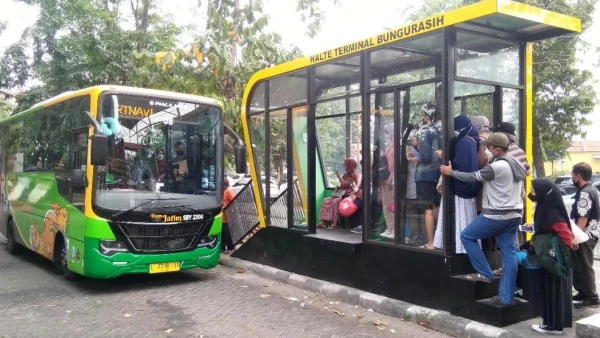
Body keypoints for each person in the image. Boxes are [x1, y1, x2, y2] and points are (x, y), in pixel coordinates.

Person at [439, 132, 526, 305]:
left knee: (467, 236)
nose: (487, 149)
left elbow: (472, 177)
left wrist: (451, 172)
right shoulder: (515, 163)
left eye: (489, 147)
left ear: (498, 150)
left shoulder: (497, 167)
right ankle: (505, 298)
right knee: (509, 256)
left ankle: (485, 273)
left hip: (496, 215)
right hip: (514, 215)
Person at [517, 178, 574, 335]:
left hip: (554, 261)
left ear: (542, 192)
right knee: (552, 291)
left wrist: (559, 255)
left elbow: (565, 236)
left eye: (534, 190)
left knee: (552, 292)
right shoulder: (548, 205)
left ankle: (553, 326)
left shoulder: (552, 212)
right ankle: (553, 324)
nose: (532, 193)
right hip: (553, 259)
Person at [433, 115, 481, 253]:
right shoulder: (471, 140)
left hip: (460, 190)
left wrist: (446, 158)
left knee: (461, 221)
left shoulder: (464, 143)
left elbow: (460, 164)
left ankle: (460, 249)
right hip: (467, 189)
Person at [570, 162, 600, 307]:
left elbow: (583, 217)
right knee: (581, 264)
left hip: (585, 234)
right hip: (590, 233)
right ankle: (583, 292)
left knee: (584, 265)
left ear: (578, 176)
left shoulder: (584, 192)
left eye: (572, 175)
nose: (571, 178)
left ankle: (591, 295)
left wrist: (575, 237)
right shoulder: (592, 189)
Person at [415, 104, 442, 250]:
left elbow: (425, 157)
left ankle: (431, 242)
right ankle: (439, 240)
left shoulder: (426, 131)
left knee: (427, 208)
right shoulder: (439, 130)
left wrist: (416, 156)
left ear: (427, 116)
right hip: (437, 172)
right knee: (437, 206)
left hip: (425, 174)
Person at [471, 116, 496, 251]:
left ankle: (487, 249)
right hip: (496, 190)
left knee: (483, 219)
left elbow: (480, 161)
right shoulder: (495, 139)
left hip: (483, 187)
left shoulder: (480, 141)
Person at [317, 158, 359, 230]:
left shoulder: (353, 175)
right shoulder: (346, 174)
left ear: (349, 165)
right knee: (326, 200)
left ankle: (335, 222)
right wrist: (338, 187)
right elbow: (342, 185)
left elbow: (345, 184)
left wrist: (339, 176)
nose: (343, 165)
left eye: (345, 164)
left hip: (347, 195)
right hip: (341, 193)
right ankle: (323, 221)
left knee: (336, 202)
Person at [380, 124, 395, 238]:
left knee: (392, 204)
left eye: (388, 131)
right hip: (385, 178)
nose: (387, 134)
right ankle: (389, 227)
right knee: (386, 204)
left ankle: (393, 228)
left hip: (392, 179)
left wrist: (393, 176)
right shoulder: (388, 144)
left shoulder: (398, 143)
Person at [221, 177, 236, 253]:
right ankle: (222, 248)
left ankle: (230, 248)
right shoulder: (223, 191)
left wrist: (226, 208)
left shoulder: (228, 191)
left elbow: (234, 201)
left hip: (227, 217)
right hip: (221, 218)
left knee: (228, 234)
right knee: (222, 234)